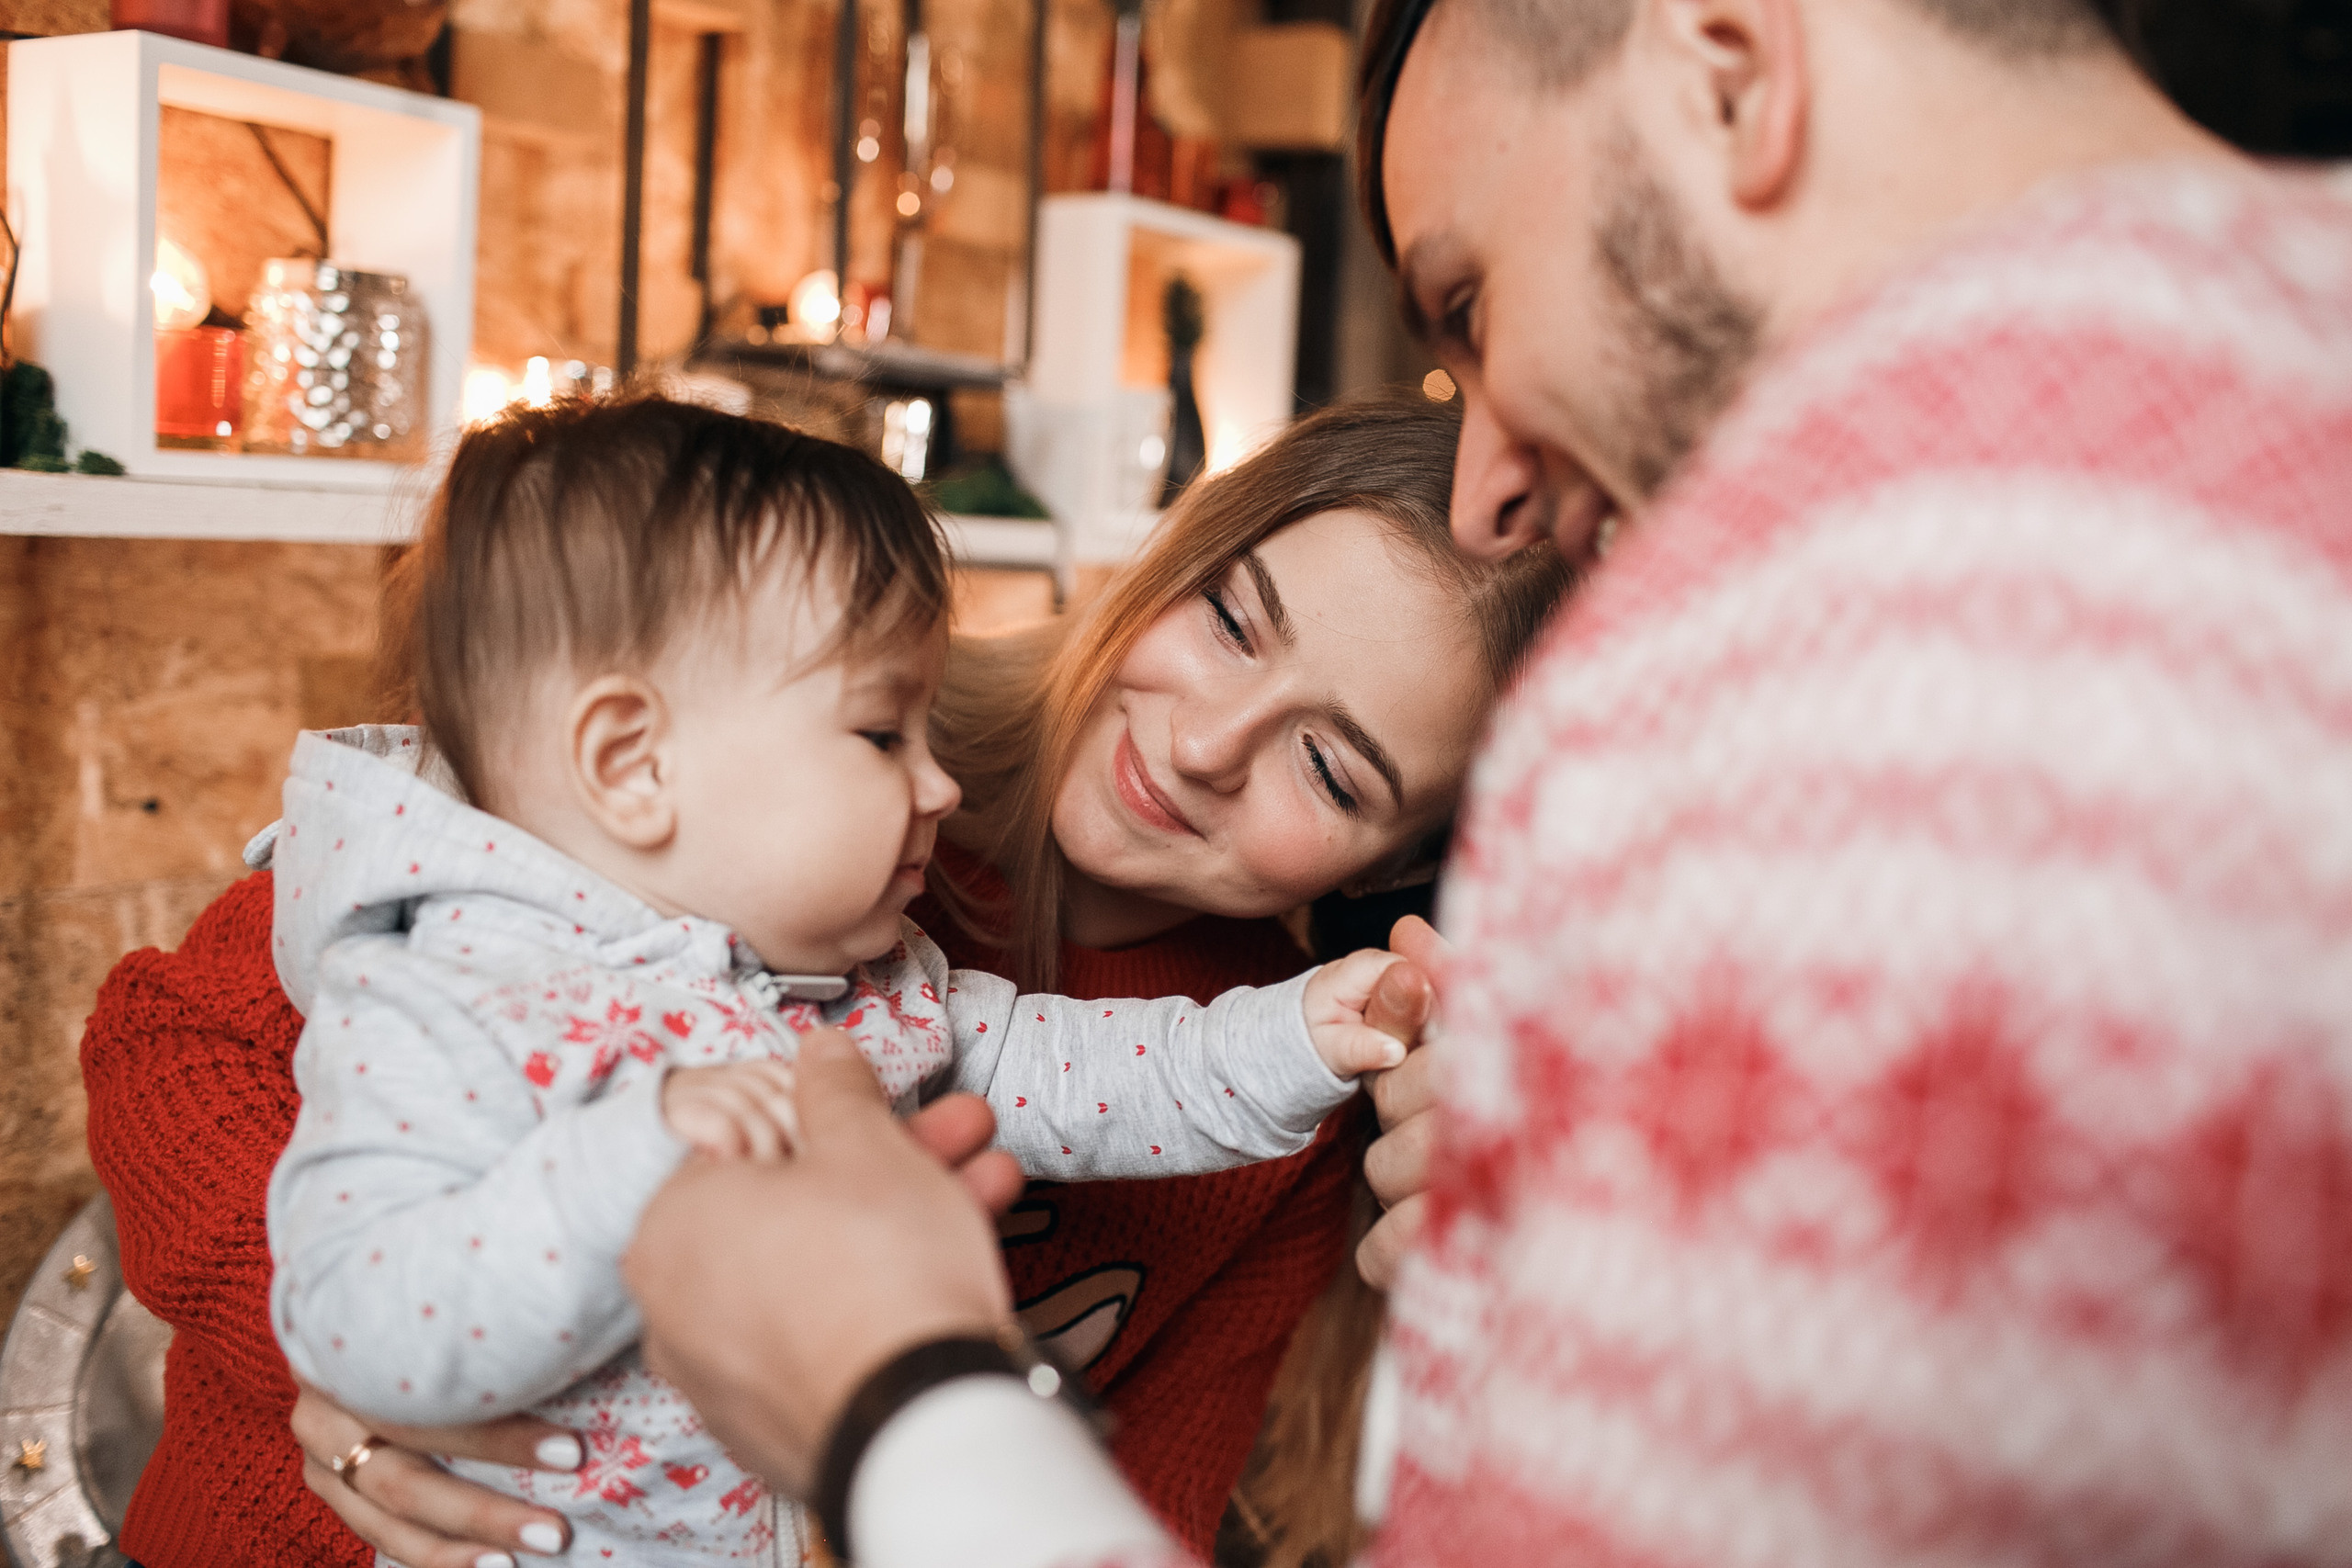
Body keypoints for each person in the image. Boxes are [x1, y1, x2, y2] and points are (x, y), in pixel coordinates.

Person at [616, 0, 2352, 1564]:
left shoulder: (1822, 650)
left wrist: (884, 1398)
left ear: (1734, 69)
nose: (1493, 490)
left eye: (1468, 301)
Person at [79, 394, 1570, 1568]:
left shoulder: (1270, 1117)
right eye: (1236, 618)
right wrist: (358, 1366)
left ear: (1402, 856)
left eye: (1329, 763)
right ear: (1175, 554)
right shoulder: (765, 712)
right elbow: (169, 1042)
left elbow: (1137, 1502)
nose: (1203, 744)